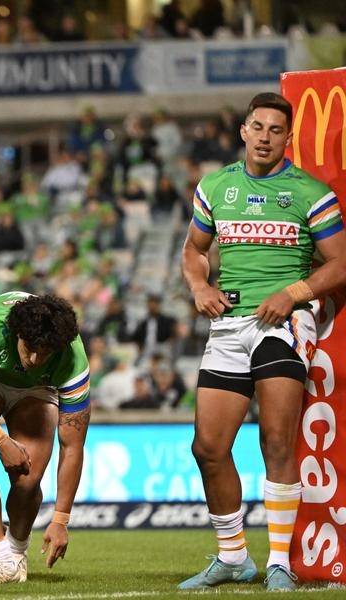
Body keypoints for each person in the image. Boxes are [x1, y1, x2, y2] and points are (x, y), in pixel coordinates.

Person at [179, 92, 346, 591]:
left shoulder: (309, 192)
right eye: (258, 127)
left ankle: (278, 562)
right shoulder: (216, 185)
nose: (266, 137)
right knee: (207, 447)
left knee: (276, 439)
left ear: (287, 137)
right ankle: (232, 557)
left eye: (276, 130)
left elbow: (340, 262)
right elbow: (193, 249)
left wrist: (293, 293)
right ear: (243, 131)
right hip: (229, 323)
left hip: (285, 324)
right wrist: (200, 285)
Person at [0, 292, 91, 585]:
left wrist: (61, 519)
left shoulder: (74, 359)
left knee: (27, 478)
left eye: (46, 352)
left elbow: (72, 446)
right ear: (16, 333)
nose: (36, 359)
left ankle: (15, 553)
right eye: (30, 348)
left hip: (37, 392)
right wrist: (1, 440)